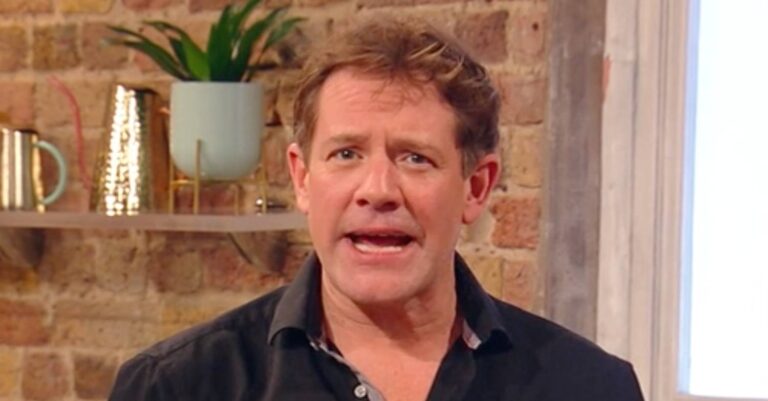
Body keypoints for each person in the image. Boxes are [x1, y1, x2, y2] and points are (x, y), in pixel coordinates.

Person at [108, 17, 645, 401]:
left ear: (476, 187)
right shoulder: (175, 386)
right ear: (302, 177)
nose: (378, 190)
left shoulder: (590, 387)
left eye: (415, 158)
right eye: (346, 154)